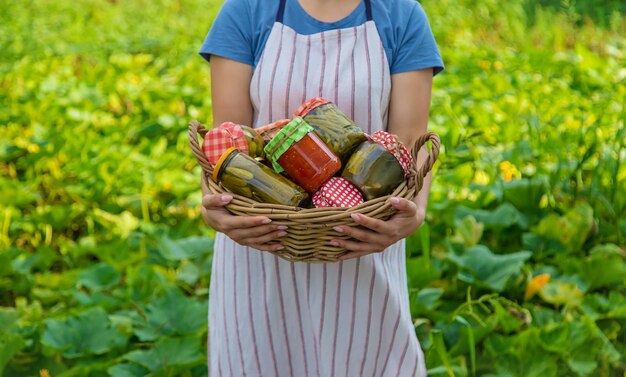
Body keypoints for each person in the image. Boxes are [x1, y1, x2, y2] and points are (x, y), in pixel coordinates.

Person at [199, 0, 443, 375]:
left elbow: (408, 146)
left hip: (363, 243)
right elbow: (228, 146)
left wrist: (415, 215)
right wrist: (215, 206)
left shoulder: (401, 15)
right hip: (261, 249)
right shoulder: (246, 10)